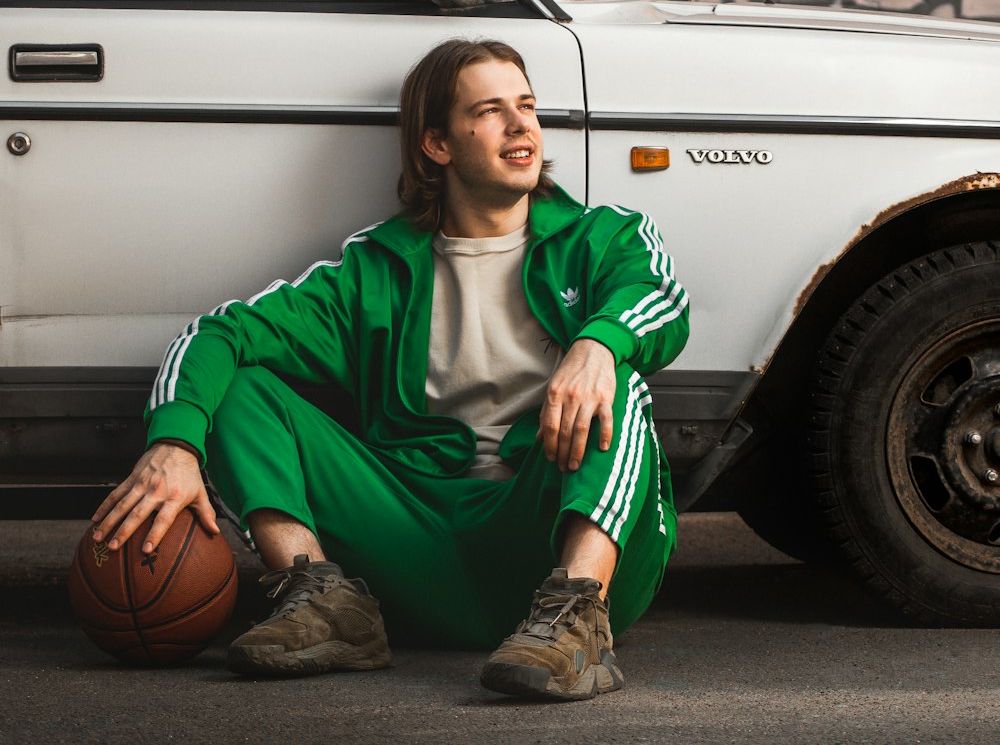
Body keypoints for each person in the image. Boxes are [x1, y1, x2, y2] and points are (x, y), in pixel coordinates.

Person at [92, 37, 689, 700]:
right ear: (437, 144)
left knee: (618, 383)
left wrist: (597, 345)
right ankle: (325, 603)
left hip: (546, 534)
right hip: (414, 546)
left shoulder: (604, 236)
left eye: (527, 105)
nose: (522, 126)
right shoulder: (373, 272)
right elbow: (217, 332)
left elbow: (661, 302)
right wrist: (173, 444)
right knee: (241, 383)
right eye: (490, 111)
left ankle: (578, 617)